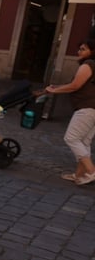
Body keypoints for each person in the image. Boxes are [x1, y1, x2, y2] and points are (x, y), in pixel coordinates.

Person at [44, 40, 95, 185]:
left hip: (86, 107)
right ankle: (80, 175)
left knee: (71, 138)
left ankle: (91, 171)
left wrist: (54, 90)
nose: (79, 51)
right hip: (92, 108)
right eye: (79, 48)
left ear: (92, 51)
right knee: (84, 142)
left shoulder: (88, 64)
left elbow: (75, 86)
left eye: (83, 49)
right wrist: (57, 87)